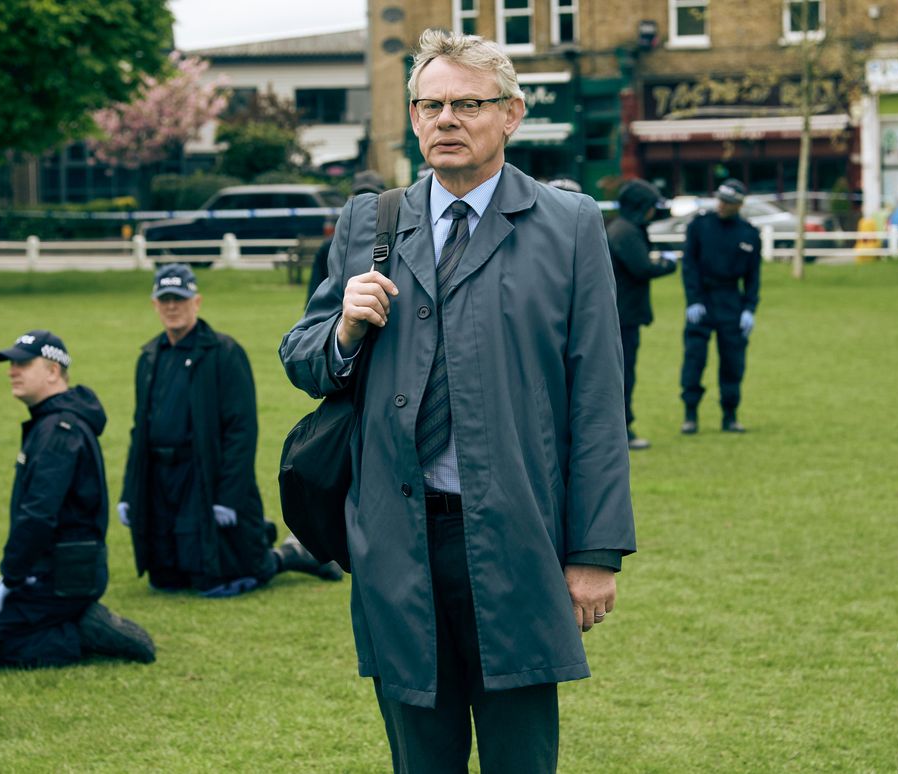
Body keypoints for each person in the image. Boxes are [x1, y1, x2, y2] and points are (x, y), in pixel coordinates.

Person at [280, 30, 635, 774]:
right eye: (431, 104)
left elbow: (599, 399)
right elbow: (305, 360)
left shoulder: (570, 228)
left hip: (519, 540)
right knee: (420, 757)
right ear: (413, 119)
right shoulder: (370, 222)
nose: (446, 119)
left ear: (512, 113)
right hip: (399, 541)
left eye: (467, 104)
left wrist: (594, 554)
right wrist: (342, 327)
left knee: (521, 758)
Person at [118, 264, 342, 597]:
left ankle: (288, 555)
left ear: (196, 301)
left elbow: (242, 431)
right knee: (166, 578)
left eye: (179, 299)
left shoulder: (223, 353)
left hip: (203, 476)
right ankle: (259, 534)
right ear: (154, 305)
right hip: (163, 480)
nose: (172, 306)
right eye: (164, 299)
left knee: (224, 577)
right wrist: (129, 492)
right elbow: (140, 429)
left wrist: (228, 498)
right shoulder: (149, 357)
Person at [0, 331, 155, 669]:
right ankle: (74, 620)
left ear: (52, 371)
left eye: (22, 363)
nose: (11, 371)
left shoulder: (59, 431)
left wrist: (12, 576)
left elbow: (38, 514)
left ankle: (81, 631)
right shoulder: (52, 423)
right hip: (52, 571)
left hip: (62, 579)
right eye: (11, 364)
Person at [679, 179, 761, 434]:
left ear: (738, 205)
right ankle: (690, 415)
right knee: (694, 359)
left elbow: (753, 276)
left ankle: (730, 414)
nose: (722, 206)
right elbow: (689, 265)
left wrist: (749, 307)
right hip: (702, 299)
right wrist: (693, 300)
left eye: (728, 202)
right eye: (720, 200)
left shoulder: (749, 233)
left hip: (731, 302)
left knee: (733, 361)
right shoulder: (700, 226)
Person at [608, 178, 678, 450]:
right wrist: (667, 265)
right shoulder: (625, 232)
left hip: (622, 314)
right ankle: (622, 430)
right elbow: (641, 268)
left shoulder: (621, 228)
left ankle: (620, 428)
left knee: (622, 373)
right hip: (623, 315)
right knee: (624, 374)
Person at [306, 170, 387, 303]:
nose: (365, 203)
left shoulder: (397, 240)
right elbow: (315, 302)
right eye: (359, 197)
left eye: (372, 197)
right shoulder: (330, 246)